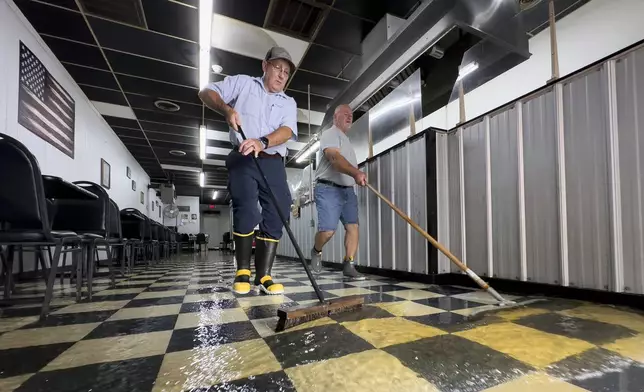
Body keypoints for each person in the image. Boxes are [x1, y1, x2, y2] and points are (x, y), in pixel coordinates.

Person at [198, 47, 297, 295]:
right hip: (243, 157)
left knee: (280, 209)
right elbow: (206, 92)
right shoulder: (243, 84)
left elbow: (286, 131)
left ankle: (263, 274)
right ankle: (242, 269)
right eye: (278, 68)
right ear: (265, 66)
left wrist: (262, 141)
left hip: (272, 160)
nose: (282, 75)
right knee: (247, 206)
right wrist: (226, 109)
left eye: (286, 72)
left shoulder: (288, 102)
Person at [310, 104, 366, 280]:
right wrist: (356, 172)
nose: (349, 117)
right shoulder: (330, 133)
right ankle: (316, 250)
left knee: (353, 227)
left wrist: (355, 176)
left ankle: (349, 264)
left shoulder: (347, 140)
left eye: (351, 115)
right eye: (345, 114)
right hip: (328, 188)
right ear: (335, 117)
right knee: (327, 231)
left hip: (347, 191)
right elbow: (335, 159)